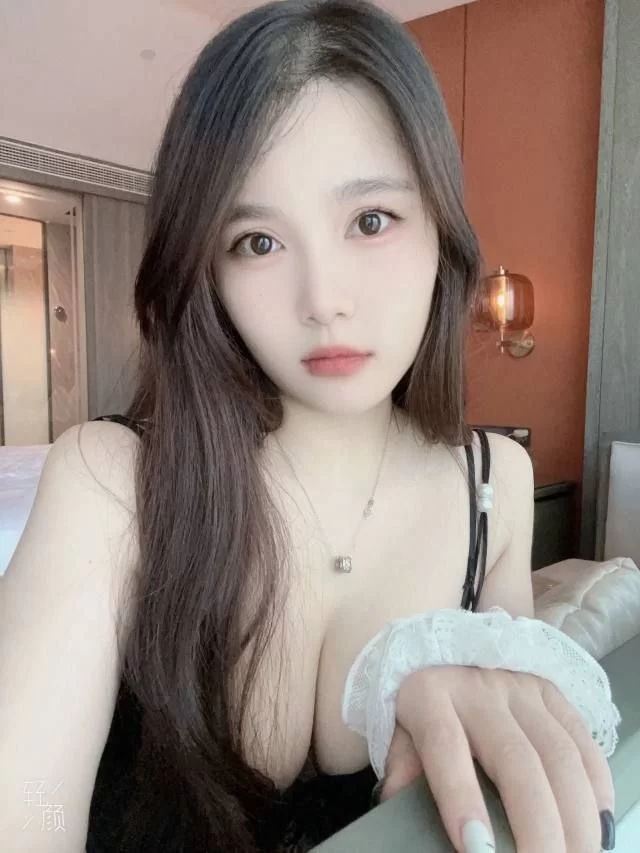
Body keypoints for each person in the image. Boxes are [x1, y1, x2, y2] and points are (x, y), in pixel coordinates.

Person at [0, 1, 616, 851]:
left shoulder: (494, 486)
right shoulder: (110, 483)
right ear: (206, 268)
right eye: (257, 241)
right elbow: (24, 814)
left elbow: (498, 785)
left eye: (371, 220)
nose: (322, 299)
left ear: (440, 230)